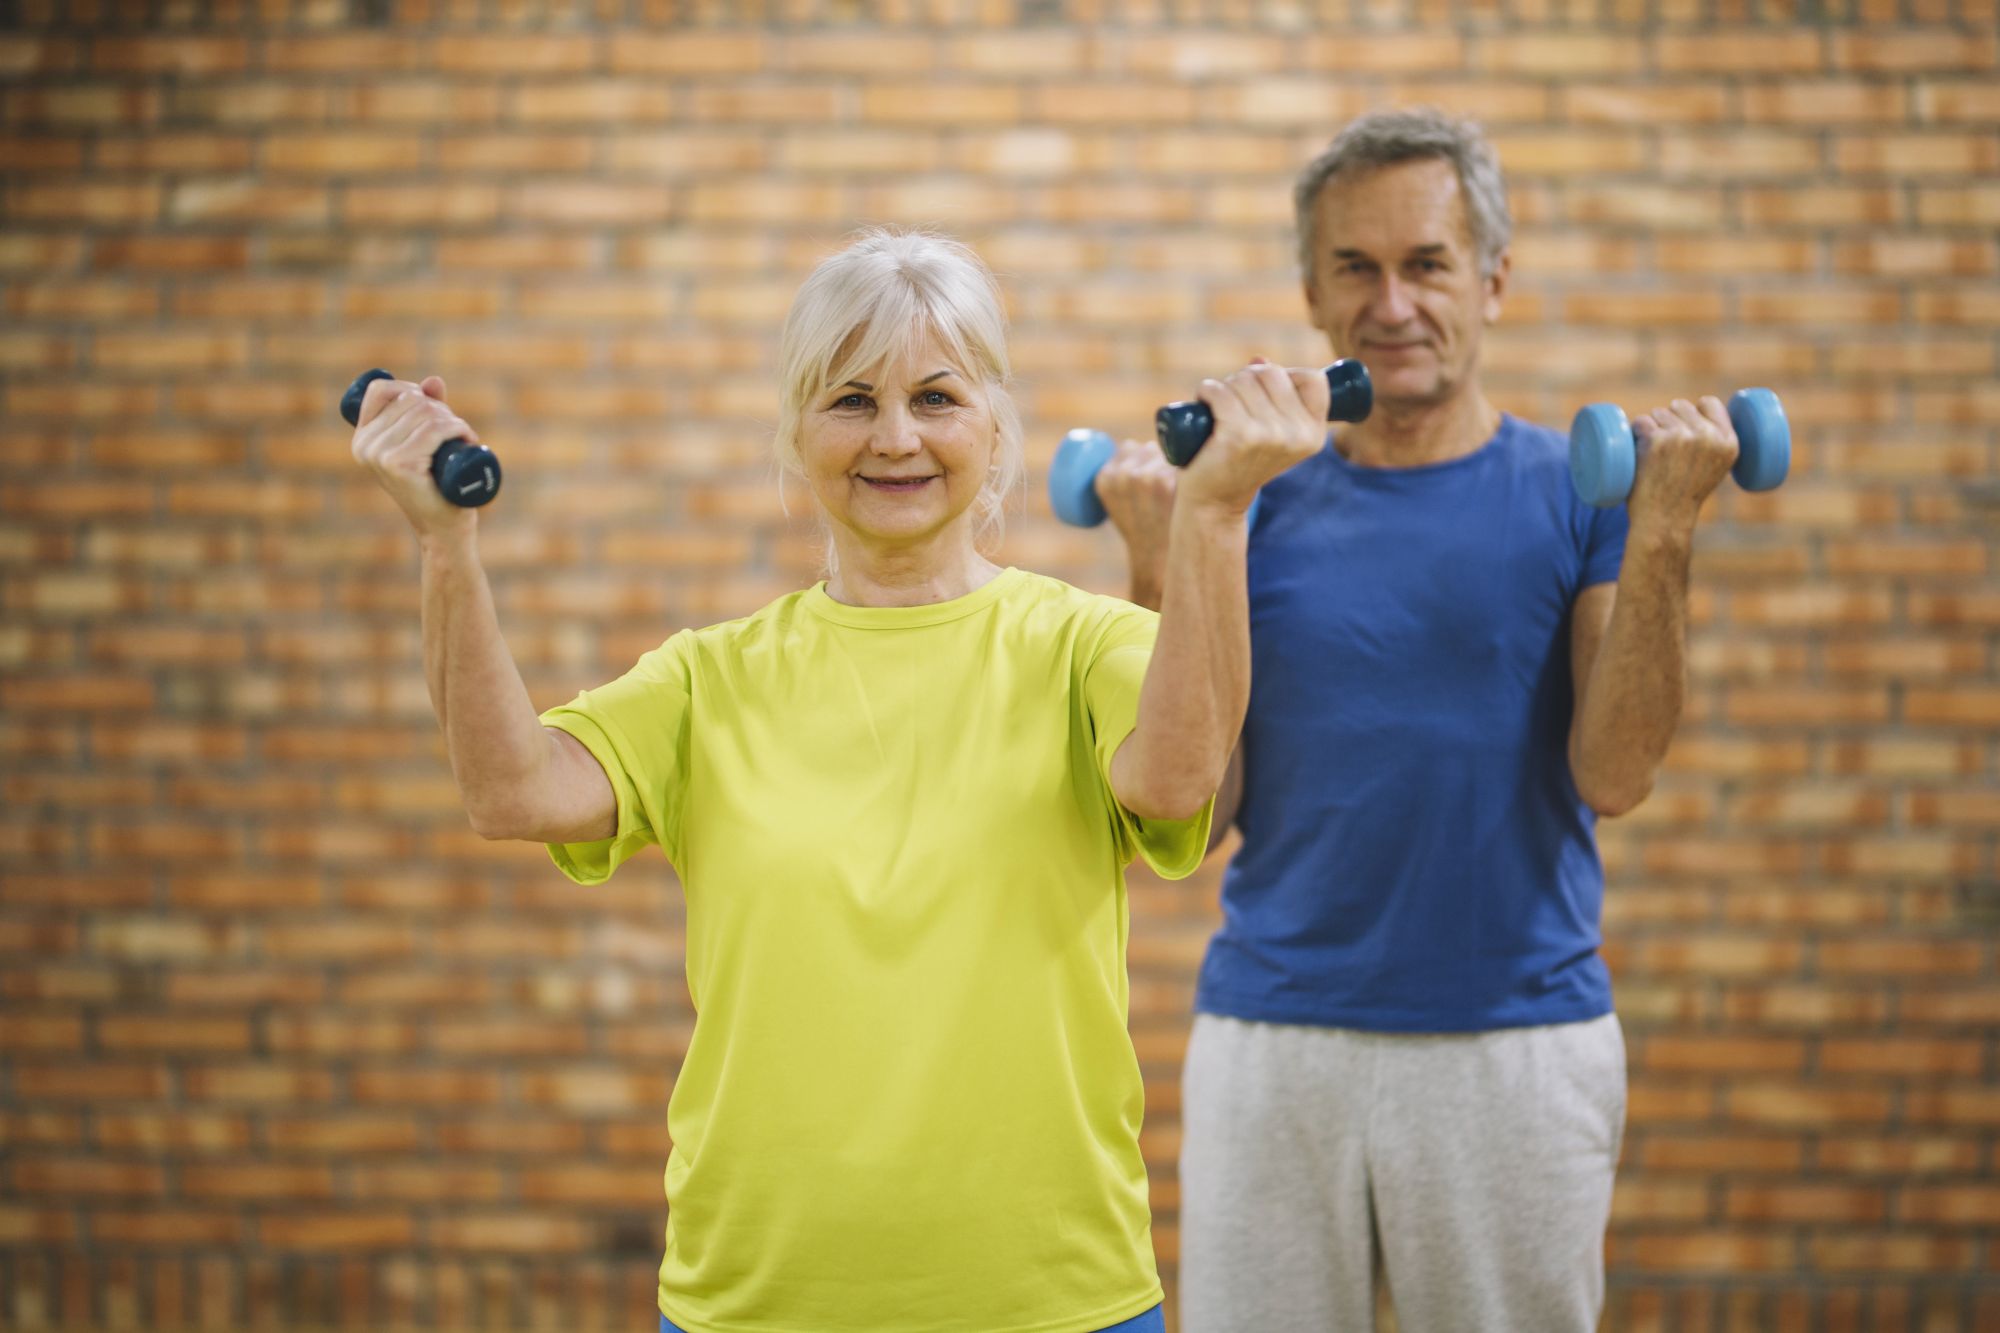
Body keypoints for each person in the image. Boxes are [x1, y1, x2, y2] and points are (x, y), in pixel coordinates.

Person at [349, 227, 1329, 1333]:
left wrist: (1210, 517)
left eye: (937, 398)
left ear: (995, 425)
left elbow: (1177, 776)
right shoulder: (707, 678)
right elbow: (510, 789)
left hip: (1052, 1300)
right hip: (760, 1300)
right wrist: (445, 547)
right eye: (851, 400)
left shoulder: (1080, 647)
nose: (896, 437)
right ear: (795, 432)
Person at [1092, 109, 1744, 1331]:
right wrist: (1158, 561)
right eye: (1356, 267)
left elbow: (1614, 774)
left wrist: (1661, 529)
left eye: (1426, 264)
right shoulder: (1243, 510)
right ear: (1310, 291)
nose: (1390, 303)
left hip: (1513, 1043)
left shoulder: (1578, 492)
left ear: (1492, 279)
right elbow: (1192, 809)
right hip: (1273, 1034)